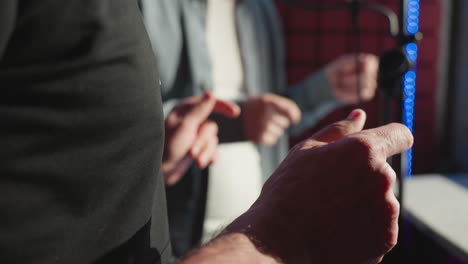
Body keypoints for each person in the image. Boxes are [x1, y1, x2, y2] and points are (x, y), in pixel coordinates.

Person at [0, 1, 413, 264]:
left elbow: (265, 118)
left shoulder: (258, 12)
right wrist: (284, 231)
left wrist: (321, 91)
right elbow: (112, 125)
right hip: (190, 236)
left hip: (246, 228)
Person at [142, 0, 380, 253]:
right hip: (171, 242)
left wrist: (324, 89)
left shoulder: (259, 9)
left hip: (254, 239)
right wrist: (238, 122)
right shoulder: (147, 6)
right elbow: (125, 123)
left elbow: (268, 123)